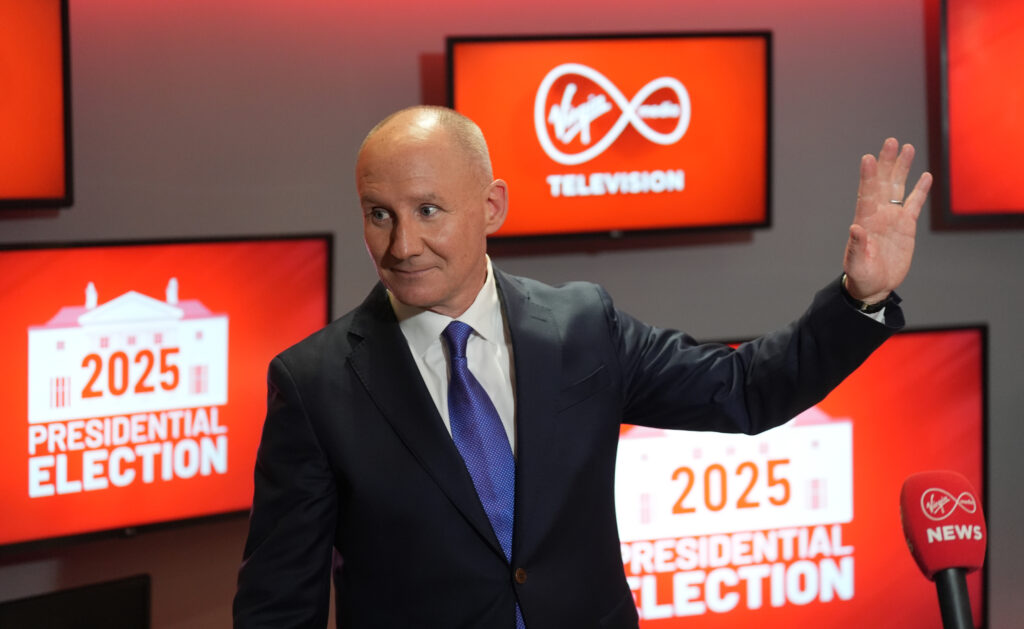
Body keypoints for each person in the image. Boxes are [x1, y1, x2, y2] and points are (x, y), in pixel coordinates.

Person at [233, 106, 932, 628]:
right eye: (379, 214)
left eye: (428, 210)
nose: (403, 243)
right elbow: (278, 606)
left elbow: (744, 390)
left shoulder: (581, 325)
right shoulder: (314, 383)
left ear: (491, 206)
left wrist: (861, 297)